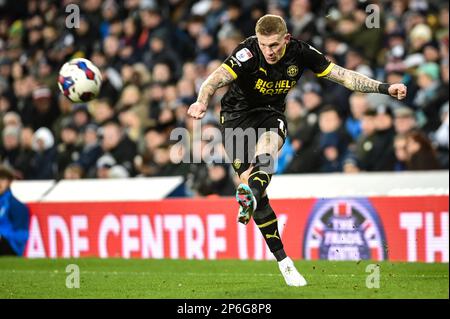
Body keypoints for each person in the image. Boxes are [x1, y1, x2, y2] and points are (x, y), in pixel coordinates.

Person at [187, 14, 407, 287]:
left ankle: (250, 196)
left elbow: (343, 76)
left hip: (270, 113)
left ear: (286, 39)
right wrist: (200, 101)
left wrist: (385, 88)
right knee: (259, 192)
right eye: (265, 45)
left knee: (269, 147)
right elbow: (213, 80)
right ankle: (284, 261)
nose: (270, 51)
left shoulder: (300, 52)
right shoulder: (247, 52)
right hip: (236, 118)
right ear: (258, 40)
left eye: (276, 45)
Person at [0, 165, 30, 256]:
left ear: (9, 182)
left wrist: (3, 236)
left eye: (2, 179)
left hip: (10, 246)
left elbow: (23, 235)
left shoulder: (16, 205)